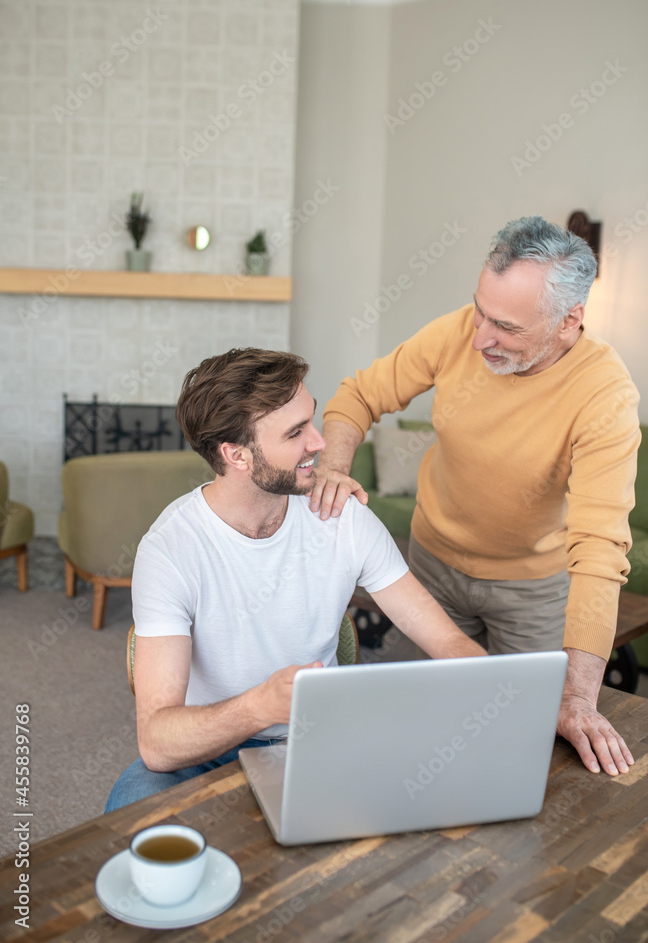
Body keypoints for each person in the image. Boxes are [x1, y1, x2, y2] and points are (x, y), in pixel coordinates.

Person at [310, 216, 640, 779]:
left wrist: (581, 696)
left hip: (532, 592)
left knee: (521, 745)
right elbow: (359, 395)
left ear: (569, 322)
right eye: (480, 311)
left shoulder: (604, 395)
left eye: (506, 327)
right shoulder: (458, 333)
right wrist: (333, 469)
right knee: (421, 730)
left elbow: (600, 550)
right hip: (431, 568)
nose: (482, 336)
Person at [105, 348, 485, 812]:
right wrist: (258, 707)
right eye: (296, 432)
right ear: (236, 454)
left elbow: (446, 639)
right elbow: (158, 740)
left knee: (432, 801)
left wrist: (500, 693)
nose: (320, 442)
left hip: (324, 736)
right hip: (208, 748)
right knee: (132, 808)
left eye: (312, 420)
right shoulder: (170, 550)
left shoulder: (341, 517)